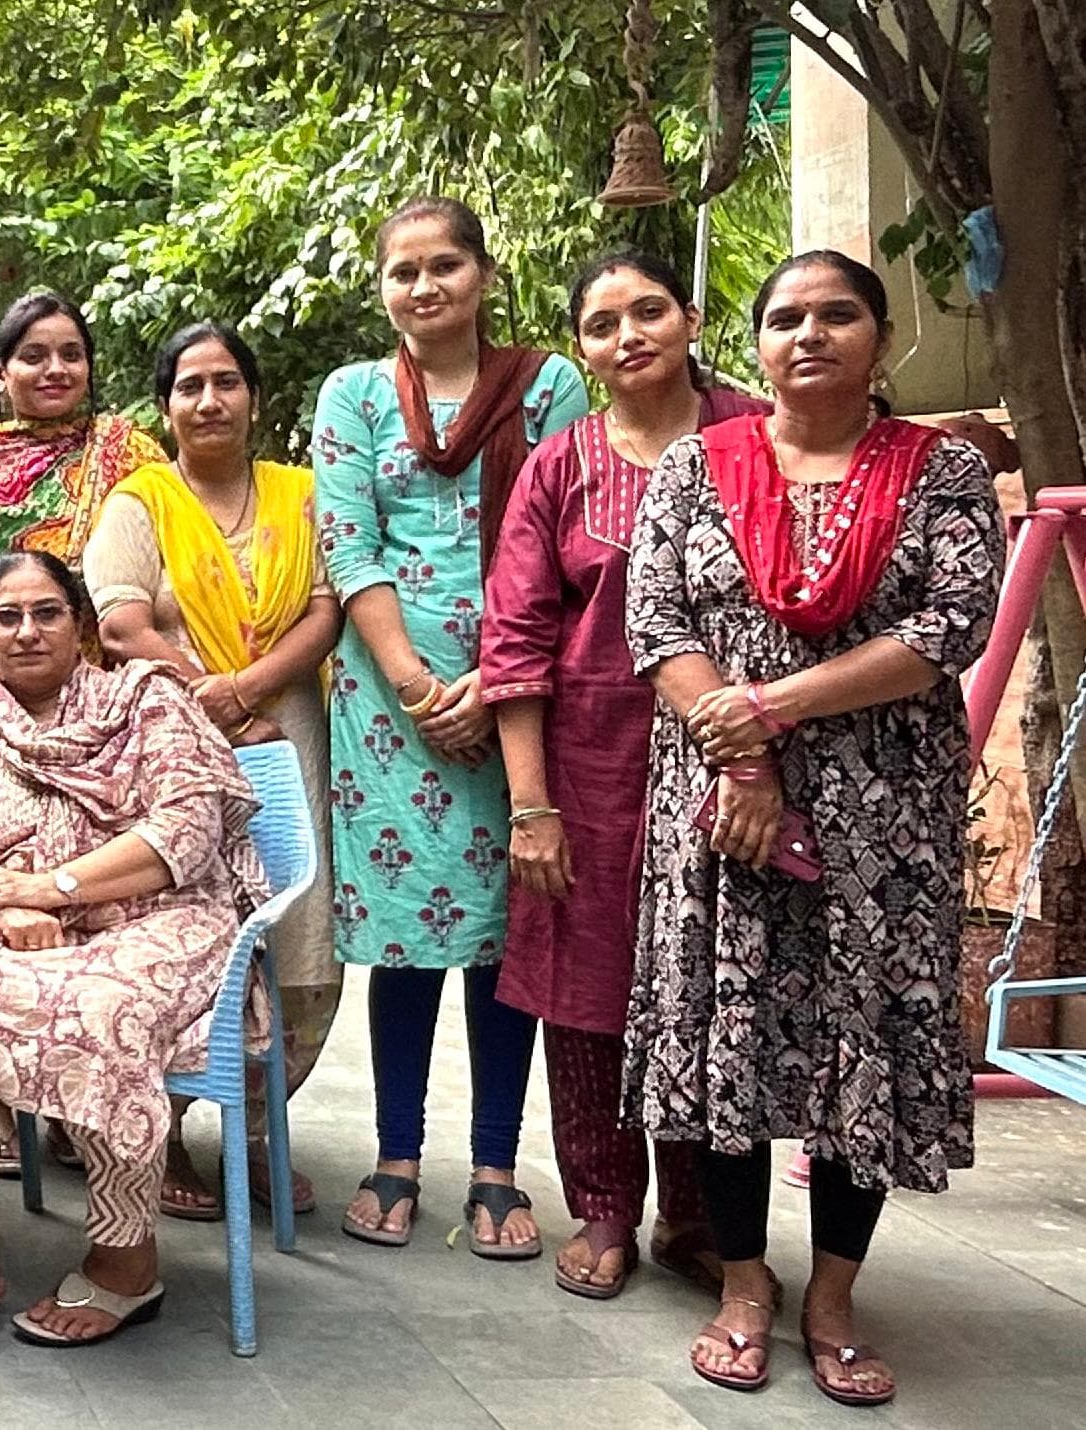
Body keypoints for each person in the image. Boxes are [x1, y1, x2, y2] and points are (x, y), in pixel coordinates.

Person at [626, 250, 1001, 1407]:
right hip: (721, 810)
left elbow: (952, 624)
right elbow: (655, 620)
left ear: (878, 337)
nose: (808, 334)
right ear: (751, 345)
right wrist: (740, 753)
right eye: (783, 317)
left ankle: (830, 1296)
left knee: (860, 1047)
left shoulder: (938, 471)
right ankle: (743, 1283)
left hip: (881, 822)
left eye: (835, 314)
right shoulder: (698, 465)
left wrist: (771, 708)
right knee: (728, 1040)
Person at [0, 551, 262, 1370]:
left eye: (46, 612)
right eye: (6, 617)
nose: (26, 632)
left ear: (82, 624)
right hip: (25, 928)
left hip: (162, 919)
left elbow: (187, 832)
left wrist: (48, 888)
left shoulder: (146, 702)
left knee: (102, 1007)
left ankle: (126, 1260)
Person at [481, 251, 767, 1300]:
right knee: (585, 991)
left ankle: (701, 1216)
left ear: (689, 317)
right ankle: (602, 1205)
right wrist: (530, 806)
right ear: (582, 349)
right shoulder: (558, 466)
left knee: (712, 986)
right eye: (600, 324)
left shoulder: (755, 437)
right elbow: (512, 641)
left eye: (647, 310)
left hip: (738, 758)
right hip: (590, 765)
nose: (627, 334)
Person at [313, 195, 586, 1255]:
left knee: (501, 932)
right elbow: (349, 543)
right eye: (402, 272)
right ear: (382, 288)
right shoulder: (351, 395)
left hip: (516, 687)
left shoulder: (548, 385)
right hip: (385, 705)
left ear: (481, 273)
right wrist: (418, 684)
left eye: (442, 267)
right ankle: (392, 1152)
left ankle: (493, 1166)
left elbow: (558, 541)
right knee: (404, 936)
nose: (422, 287)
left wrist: (489, 679)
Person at [83, 321, 342, 1220]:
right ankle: (168, 1131)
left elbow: (325, 609)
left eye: (226, 382)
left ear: (254, 398)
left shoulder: (302, 495)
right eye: (189, 386)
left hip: (287, 733)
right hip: (168, 737)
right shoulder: (140, 502)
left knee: (296, 921)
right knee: (177, 917)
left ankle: (260, 1130)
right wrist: (215, 696)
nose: (208, 400)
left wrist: (256, 687)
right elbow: (120, 625)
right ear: (165, 407)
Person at [0, 290, 166, 745]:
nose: (56, 370)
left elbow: (170, 566)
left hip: (115, 696)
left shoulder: (132, 454)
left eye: (71, 355)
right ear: (1, 373)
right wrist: (43, 595)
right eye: (35, 356)